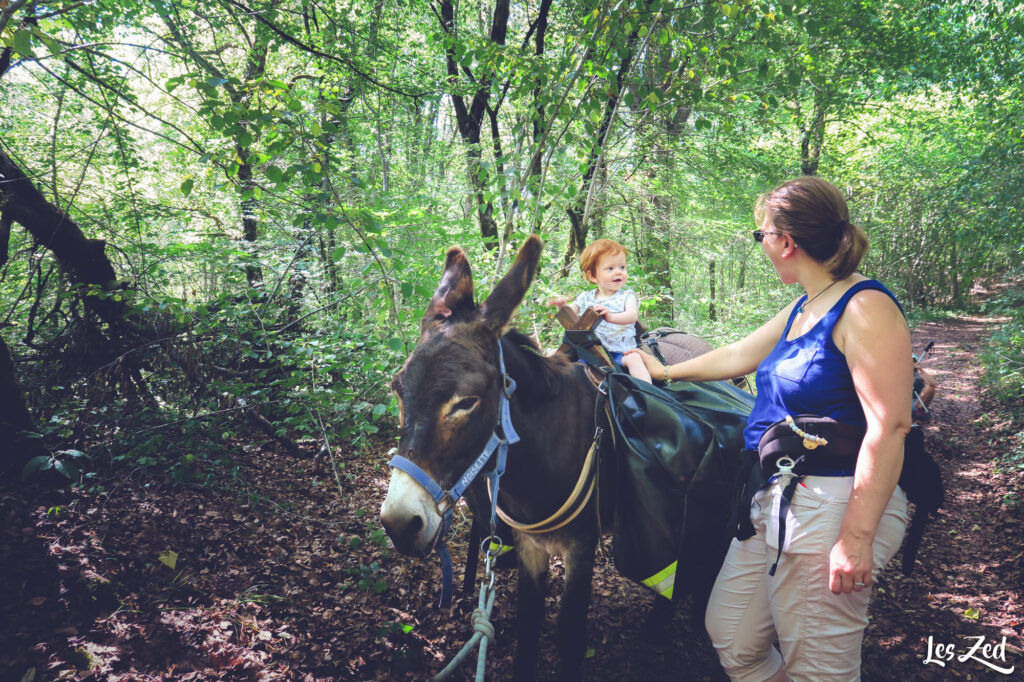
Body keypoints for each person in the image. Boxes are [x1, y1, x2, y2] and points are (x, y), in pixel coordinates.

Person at [626, 177, 912, 681]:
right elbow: (740, 354)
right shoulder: (808, 302)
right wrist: (662, 371)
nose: (761, 246)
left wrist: (856, 536)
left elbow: (890, 425)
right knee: (732, 634)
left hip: (830, 501)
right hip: (773, 496)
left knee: (820, 668)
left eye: (761, 236)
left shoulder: (864, 306)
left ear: (786, 242)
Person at [549, 238, 652, 382]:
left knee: (635, 359)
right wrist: (562, 307)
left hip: (620, 351)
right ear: (592, 275)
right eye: (610, 268)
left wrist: (611, 317)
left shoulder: (627, 296)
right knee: (553, 353)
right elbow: (571, 315)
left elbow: (632, 315)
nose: (618, 272)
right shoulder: (586, 297)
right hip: (590, 351)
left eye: (622, 267)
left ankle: (647, 394)